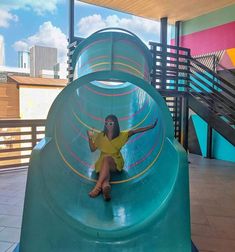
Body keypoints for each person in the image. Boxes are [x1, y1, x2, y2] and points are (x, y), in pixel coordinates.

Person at [87, 114, 158, 201]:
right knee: (105, 168)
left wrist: (151, 126)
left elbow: (136, 131)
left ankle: (97, 187)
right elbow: (92, 149)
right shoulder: (101, 136)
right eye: (106, 123)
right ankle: (105, 188)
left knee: (107, 159)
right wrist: (90, 138)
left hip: (115, 162)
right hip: (102, 163)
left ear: (115, 124)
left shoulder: (121, 136)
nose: (108, 126)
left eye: (110, 124)